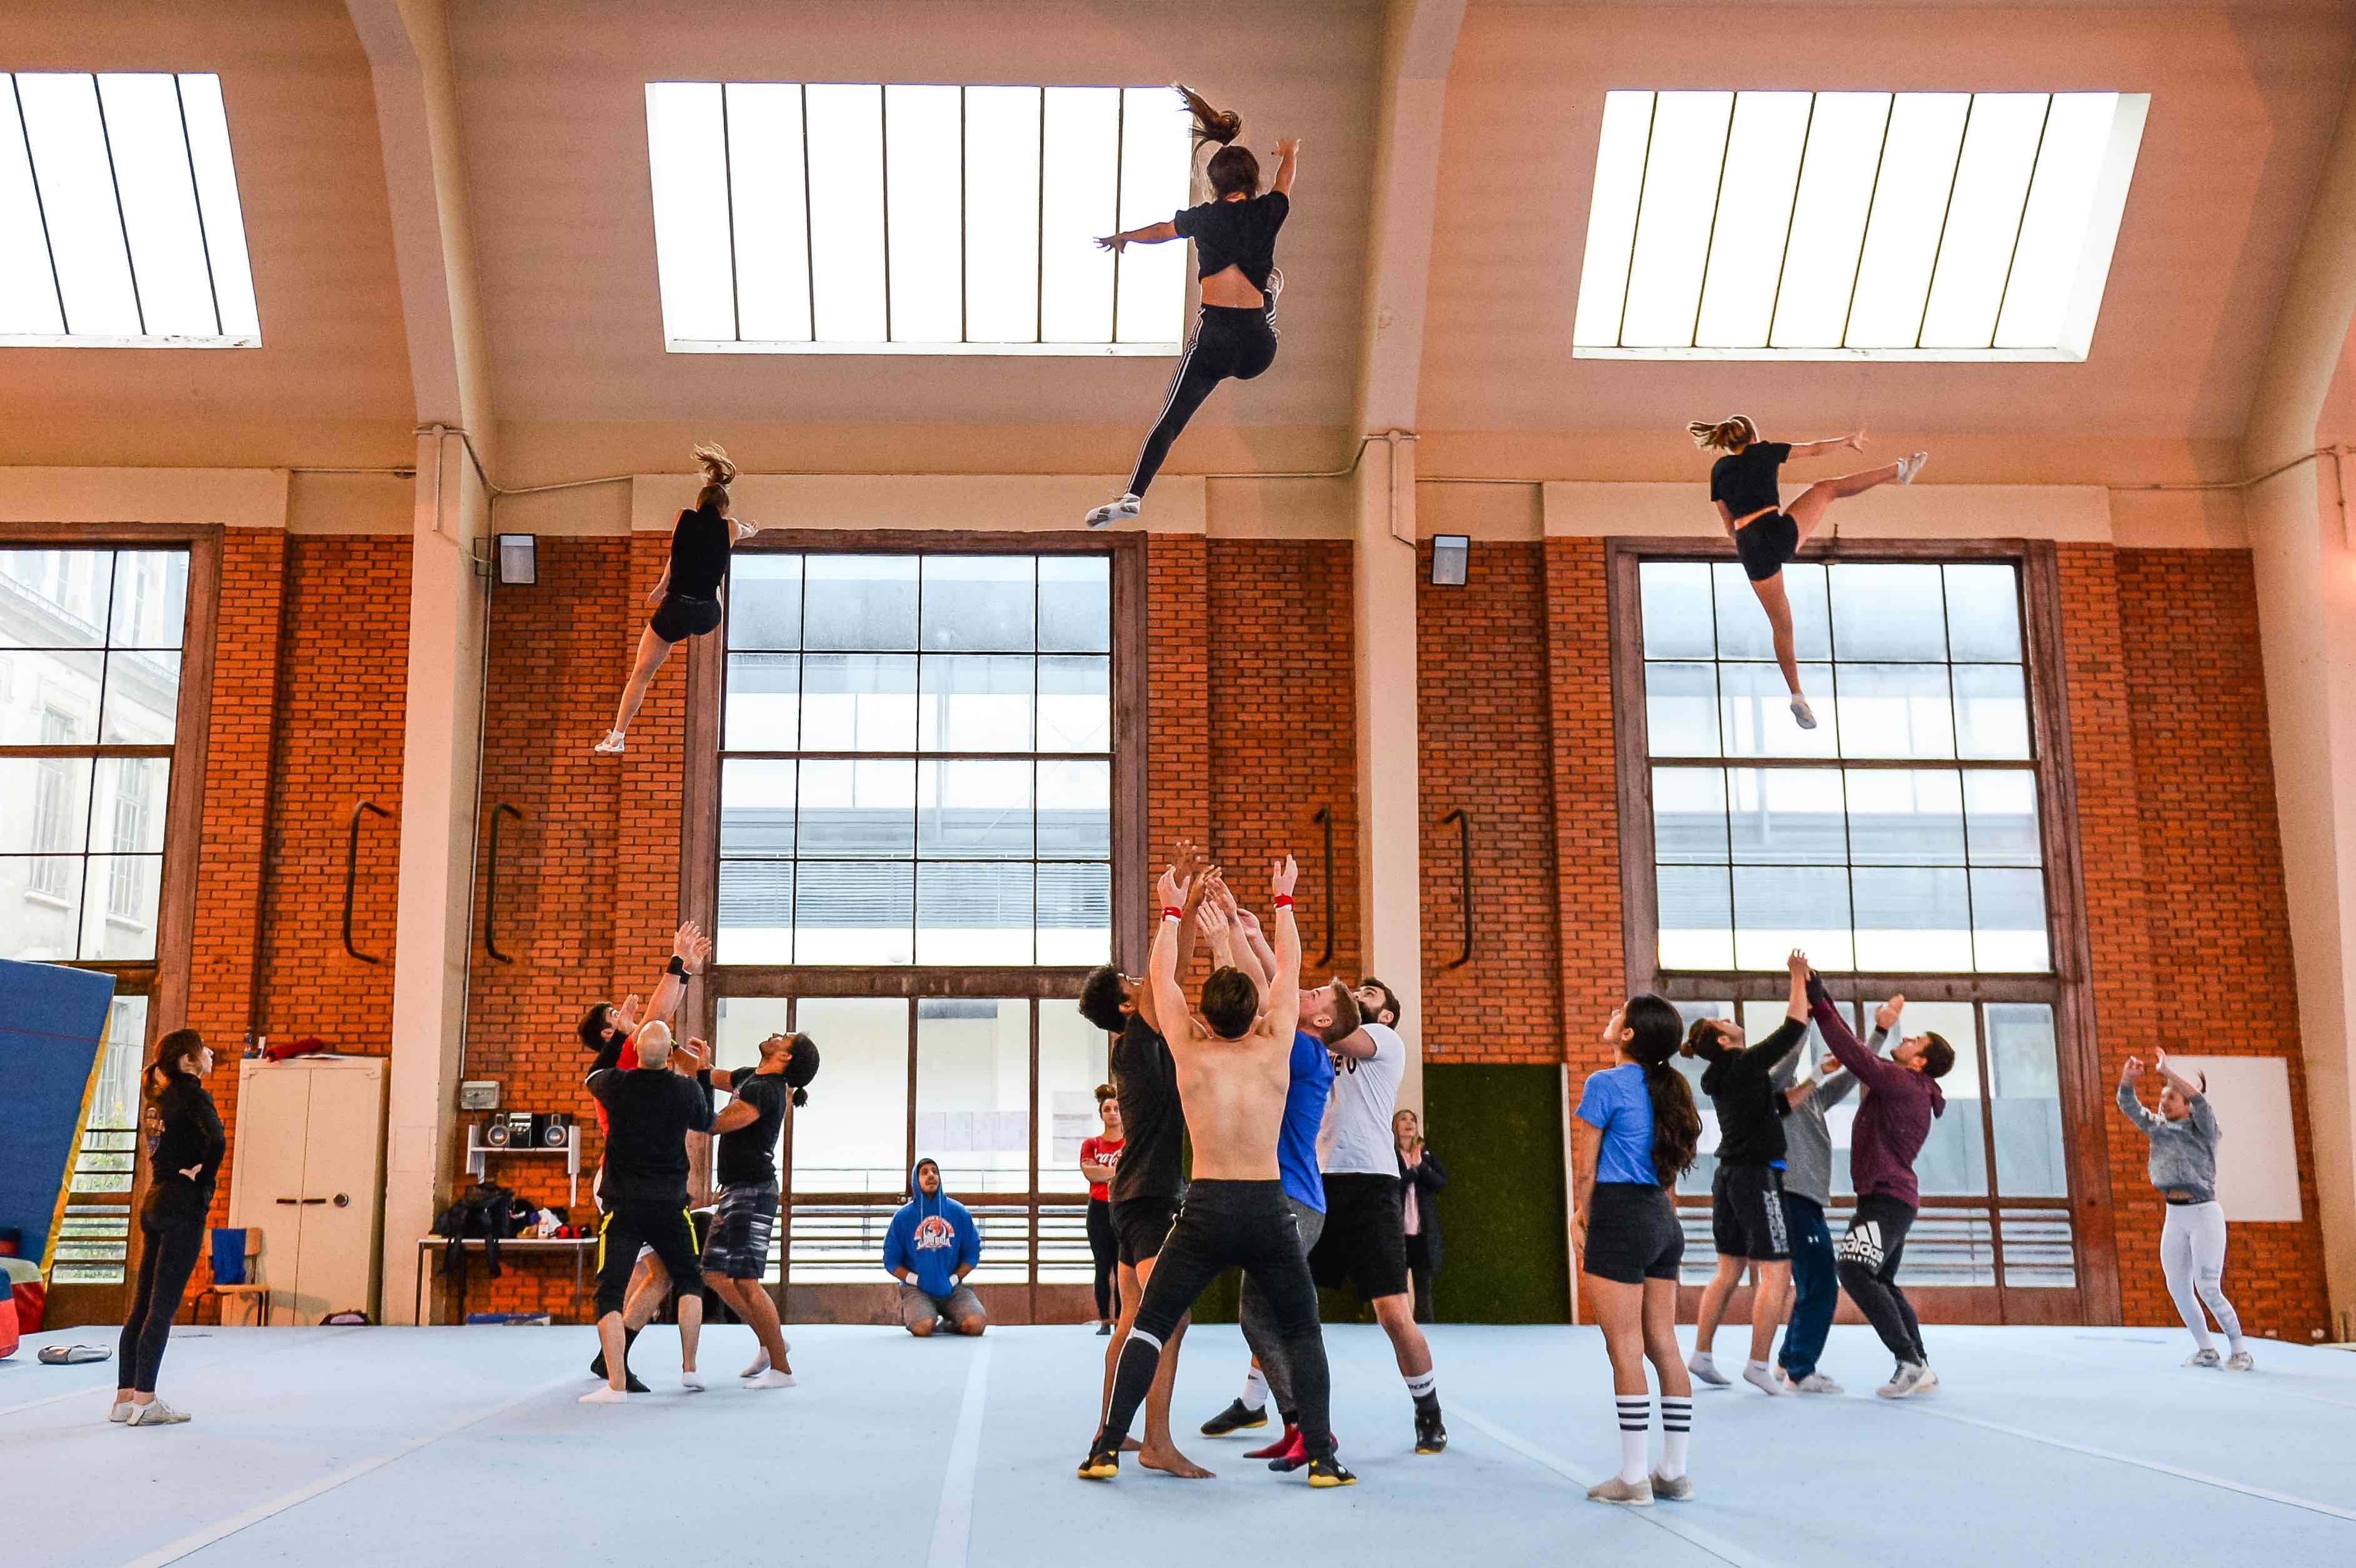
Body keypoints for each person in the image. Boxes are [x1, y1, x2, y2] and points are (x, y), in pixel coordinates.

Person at [1079, 856, 1355, 1489]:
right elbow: (1287, 971)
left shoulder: (1188, 1049)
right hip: (1265, 1210)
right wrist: (1283, 900)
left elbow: (1159, 984)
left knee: (1148, 1324)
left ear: (1201, 1012)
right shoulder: (1276, 1042)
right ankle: (1322, 1458)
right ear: (1257, 1011)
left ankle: (1106, 1448)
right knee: (1302, 1330)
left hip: (1202, 1211)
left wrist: (1171, 909)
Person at [1189, 882, 1358, 1466]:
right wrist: (1241, 925)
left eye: (1314, 993)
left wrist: (1229, 937)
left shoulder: (1306, 1053)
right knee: (1259, 1316)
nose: (1302, 990)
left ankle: (1315, 1430)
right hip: (1281, 1199)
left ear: (1324, 1019)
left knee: (1278, 1318)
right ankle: (1297, 1423)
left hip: (1294, 1203)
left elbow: (1264, 997)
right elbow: (1272, 988)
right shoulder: (1300, 1043)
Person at [1084, 87, 1298, 529]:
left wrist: (1123, 237)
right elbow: (1284, 182)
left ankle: (1133, 494)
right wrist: (1289, 152)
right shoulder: (1269, 211)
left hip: (1214, 343)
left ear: (1214, 185)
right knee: (1268, 288)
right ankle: (1271, 298)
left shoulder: (1203, 218)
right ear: (1250, 183)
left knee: (1171, 420)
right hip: (1259, 349)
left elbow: (1161, 230)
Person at [1076, 839, 1214, 1479]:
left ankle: (1114, 1427)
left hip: (1135, 1194)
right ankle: (1153, 1439)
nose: (1145, 981)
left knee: (1136, 1315)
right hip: (1151, 1195)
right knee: (1170, 1317)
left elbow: (1172, 976)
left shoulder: (1140, 1036)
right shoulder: (1136, 1041)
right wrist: (1170, 909)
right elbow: (1167, 980)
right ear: (1127, 1005)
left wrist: (1182, 903)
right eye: (1134, 982)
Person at [1687, 415, 1927, 730]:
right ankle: (1899, 469)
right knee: (1828, 489)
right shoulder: (1765, 451)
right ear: (1755, 436)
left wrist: (1752, 544)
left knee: (1782, 625)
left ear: (1726, 441)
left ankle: (1798, 694)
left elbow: (1729, 526)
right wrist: (1847, 441)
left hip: (1749, 546)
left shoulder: (1718, 470)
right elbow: (1812, 450)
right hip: (1773, 530)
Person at [1301, 977, 1445, 1454]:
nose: (1360, 993)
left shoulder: (1382, 1038)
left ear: (1385, 1014)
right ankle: (1256, 1398)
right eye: (1356, 990)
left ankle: (1428, 1410)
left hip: (1371, 1184)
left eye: (1370, 993)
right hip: (1319, 1179)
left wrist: (1307, 1007)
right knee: (1287, 1299)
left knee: (1392, 1312)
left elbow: (1322, 1025)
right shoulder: (1323, 1039)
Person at [1571, 995, 1705, 1506]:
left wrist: (1582, 1217)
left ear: (1627, 1035)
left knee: (1623, 1345)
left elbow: (1586, 1168)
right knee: (1663, 1343)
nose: (1609, 1016)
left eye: (1617, 1014)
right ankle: (1674, 1471)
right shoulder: (1671, 1088)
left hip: (1620, 1216)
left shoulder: (1604, 1084)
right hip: (1661, 1219)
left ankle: (1632, 1478)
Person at [1806, 971, 1952, 1399]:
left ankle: (1908, 1360)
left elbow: (1851, 1053)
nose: (1904, 1042)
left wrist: (1817, 997)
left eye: (1914, 1041)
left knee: (1852, 1268)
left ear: (1919, 1061)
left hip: (1887, 1200)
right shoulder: (1908, 1084)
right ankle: (1919, 1364)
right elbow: (1864, 1060)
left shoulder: (1904, 1082)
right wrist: (1880, 1024)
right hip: (1889, 1198)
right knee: (1881, 1280)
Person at [581, 921, 709, 1392]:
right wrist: (679, 964)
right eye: (617, 1012)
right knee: (646, 1276)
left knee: (659, 1276)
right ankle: (614, 1360)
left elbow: (660, 1018)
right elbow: (659, 1012)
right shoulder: (623, 1063)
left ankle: (611, 1357)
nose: (629, 1011)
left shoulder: (632, 1060)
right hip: (624, 1181)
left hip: (638, 1178)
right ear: (607, 1032)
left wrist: (686, 972)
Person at [1683, 953, 1808, 1397]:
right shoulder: (1745, 1064)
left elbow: (1773, 1107)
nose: (1735, 1021)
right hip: (1757, 1176)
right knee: (1778, 1273)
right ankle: (1758, 1364)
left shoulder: (1725, 1077)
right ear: (1721, 1039)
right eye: (1727, 1022)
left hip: (1730, 1177)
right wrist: (1797, 978)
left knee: (1728, 1269)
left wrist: (1816, 1081)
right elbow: (1793, 1028)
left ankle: (1700, 1353)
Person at [594, 443, 760, 754]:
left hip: (675, 610)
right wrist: (749, 529)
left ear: (699, 504)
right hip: (709, 613)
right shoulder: (731, 527)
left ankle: (618, 735)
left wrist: (661, 589)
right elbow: (744, 533)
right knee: (717, 582)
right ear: (724, 509)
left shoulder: (682, 518)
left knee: (641, 674)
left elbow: (676, 556)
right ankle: (710, 599)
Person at [1769, 997, 1897, 1395]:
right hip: (1791, 1196)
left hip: (1807, 1199)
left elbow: (1851, 1077)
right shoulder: (1772, 1095)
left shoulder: (1811, 1099)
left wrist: (1879, 1032)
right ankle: (1800, 1370)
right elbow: (1787, 1064)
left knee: (1813, 1283)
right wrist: (1804, 1019)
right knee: (1823, 1282)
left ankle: (1790, 1361)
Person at [112, 1028, 223, 1427]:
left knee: (142, 1305)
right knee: (162, 1307)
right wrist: (202, 1175)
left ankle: (124, 1398)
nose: (210, 1053)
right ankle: (146, 1400)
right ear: (188, 1061)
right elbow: (219, 1140)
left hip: (154, 1202)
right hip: (182, 1206)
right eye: (203, 1050)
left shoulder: (156, 1100)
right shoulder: (192, 1094)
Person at [701, 1029, 820, 1389]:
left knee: (746, 1280)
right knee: (715, 1274)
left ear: (785, 1057)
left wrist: (683, 1105)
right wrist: (668, 1047)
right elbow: (704, 1073)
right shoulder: (748, 1077)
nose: (775, 1034)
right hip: (735, 1190)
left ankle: (782, 1368)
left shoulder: (766, 1092)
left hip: (754, 1192)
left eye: (784, 1037)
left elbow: (718, 1123)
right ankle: (772, 1341)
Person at [2118, 1051, 2252, 1371]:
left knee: (2208, 1287)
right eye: (2162, 1097)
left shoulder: (2204, 1129)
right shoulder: (2158, 1128)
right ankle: (2206, 1350)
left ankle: (2240, 1350)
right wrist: (2127, 1079)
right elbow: (2128, 1106)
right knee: (2177, 1287)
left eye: (2172, 1097)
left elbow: (2200, 1101)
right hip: (2175, 1216)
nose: (2164, 1103)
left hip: (2204, 1213)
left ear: (2188, 1104)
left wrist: (2168, 1072)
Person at [886, 1159, 985, 1337]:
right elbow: (891, 1261)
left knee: (976, 1325)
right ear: (916, 1181)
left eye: (934, 1171)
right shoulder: (903, 1217)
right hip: (917, 1288)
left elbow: (972, 1253)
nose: (931, 1175)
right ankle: (922, 1316)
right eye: (924, 1172)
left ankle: (949, 1322)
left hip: (951, 1287)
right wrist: (916, 1280)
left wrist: (953, 1280)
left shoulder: (959, 1212)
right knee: (922, 1327)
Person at [1394, 1108, 1446, 1324]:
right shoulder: (1390, 1156)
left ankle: (1427, 1334)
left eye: (1413, 1120)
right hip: (1397, 1233)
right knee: (1396, 1290)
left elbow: (1440, 1183)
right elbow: (1390, 1186)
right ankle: (1399, 1332)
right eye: (1403, 1119)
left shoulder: (1426, 1156)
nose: (1409, 1123)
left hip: (1422, 1234)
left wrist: (1421, 1167)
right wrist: (1412, 1172)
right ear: (1395, 1127)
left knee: (1424, 1290)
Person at [1080, 1084, 1125, 1334]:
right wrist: (1118, 1172)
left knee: (1122, 1268)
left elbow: (1132, 1174)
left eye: (1116, 1108)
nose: (1112, 1113)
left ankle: (1121, 1320)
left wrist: (1105, 1174)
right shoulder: (1092, 1144)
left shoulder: (1130, 1143)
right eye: (1107, 1109)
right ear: (1101, 1115)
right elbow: (1090, 1172)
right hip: (1098, 1209)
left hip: (1122, 1209)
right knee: (1102, 1266)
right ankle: (1104, 1321)